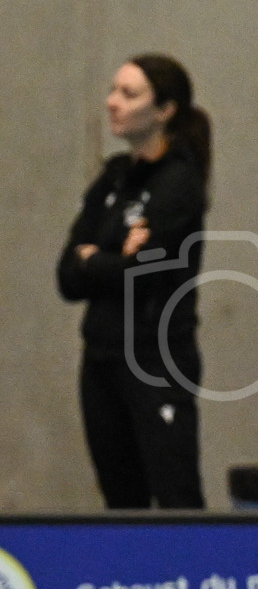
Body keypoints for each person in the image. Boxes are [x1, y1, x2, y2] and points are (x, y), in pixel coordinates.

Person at [58, 54, 211, 509]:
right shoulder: (113, 179)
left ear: (164, 110)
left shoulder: (178, 183)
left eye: (129, 94)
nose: (112, 102)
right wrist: (110, 258)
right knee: (120, 501)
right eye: (112, 90)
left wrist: (96, 258)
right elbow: (67, 276)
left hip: (154, 359)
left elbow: (141, 275)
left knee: (175, 493)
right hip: (101, 358)